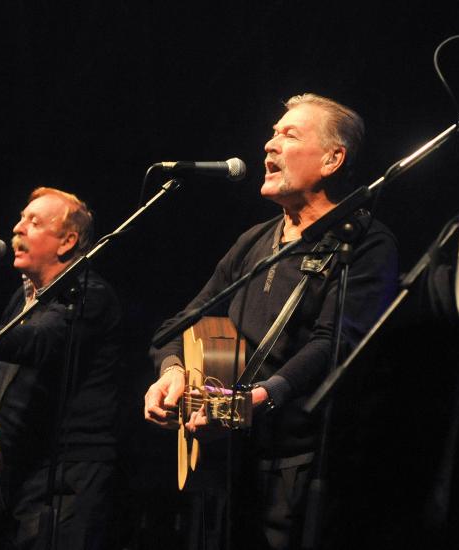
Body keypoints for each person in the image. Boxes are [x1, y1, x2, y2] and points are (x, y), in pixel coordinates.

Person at [144, 93, 398, 549]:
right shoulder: (254, 240)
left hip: (300, 466)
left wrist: (263, 397)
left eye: (289, 134)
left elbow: (337, 341)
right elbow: (177, 324)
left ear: (332, 159)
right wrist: (172, 371)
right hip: (228, 466)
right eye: (273, 132)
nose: (269, 144)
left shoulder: (364, 242)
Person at [0, 187, 123, 549]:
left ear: (67, 241)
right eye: (20, 219)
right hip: (24, 473)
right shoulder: (23, 298)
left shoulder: (90, 295)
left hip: (71, 477)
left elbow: (39, 342)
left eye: (33, 222)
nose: (18, 229)